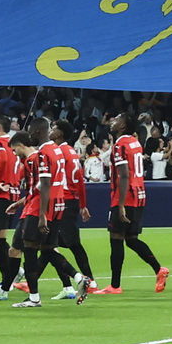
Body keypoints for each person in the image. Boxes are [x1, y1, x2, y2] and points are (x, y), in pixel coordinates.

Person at [102, 114, 165, 293]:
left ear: (122, 126)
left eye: (116, 120)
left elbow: (124, 175)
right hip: (138, 194)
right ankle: (159, 269)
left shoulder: (120, 145)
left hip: (125, 196)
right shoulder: (135, 143)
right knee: (131, 239)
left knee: (116, 238)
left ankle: (115, 286)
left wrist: (120, 204)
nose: (112, 122)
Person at [41, 123, 98, 295]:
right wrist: (82, 204)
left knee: (69, 244)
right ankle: (37, 281)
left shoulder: (59, 152)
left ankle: (89, 281)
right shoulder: (71, 152)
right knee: (50, 243)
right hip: (70, 200)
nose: (50, 131)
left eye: (54, 128)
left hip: (63, 200)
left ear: (59, 134)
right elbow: (79, 180)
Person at [0, 116, 28, 294]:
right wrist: (15, 181)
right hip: (13, 193)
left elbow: (1, 161)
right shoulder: (13, 144)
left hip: (1, 194)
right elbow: (22, 165)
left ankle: (8, 278)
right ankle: (13, 271)